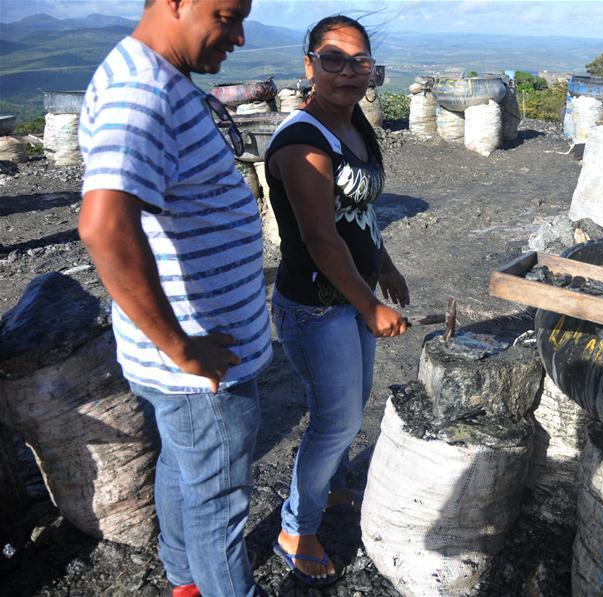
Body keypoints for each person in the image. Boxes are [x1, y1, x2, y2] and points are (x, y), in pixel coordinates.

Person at [77, 1, 270, 596]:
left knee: (184, 469)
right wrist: (182, 347)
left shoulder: (155, 75)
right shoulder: (142, 90)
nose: (237, 36)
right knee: (220, 506)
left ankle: (185, 580)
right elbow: (104, 225)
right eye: (226, 15)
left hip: (181, 359)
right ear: (175, 3)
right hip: (202, 367)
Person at [263, 15, 409, 586]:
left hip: (353, 292)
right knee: (336, 418)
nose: (349, 71)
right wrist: (370, 305)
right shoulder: (302, 142)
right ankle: (296, 527)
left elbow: (361, 214)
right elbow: (321, 238)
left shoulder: (356, 126)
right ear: (309, 66)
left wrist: (385, 264)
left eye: (360, 61)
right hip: (315, 304)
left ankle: (337, 484)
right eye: (333, 59)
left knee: (352, 405)